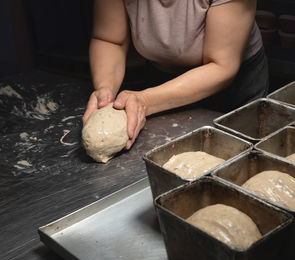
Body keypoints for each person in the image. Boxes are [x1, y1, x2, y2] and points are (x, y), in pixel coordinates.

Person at [82, 0, 269, 149]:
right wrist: (105, 88)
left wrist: (146, 101)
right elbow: (109, 39)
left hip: (230, 88)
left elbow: (221, 66)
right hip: (161, 78)